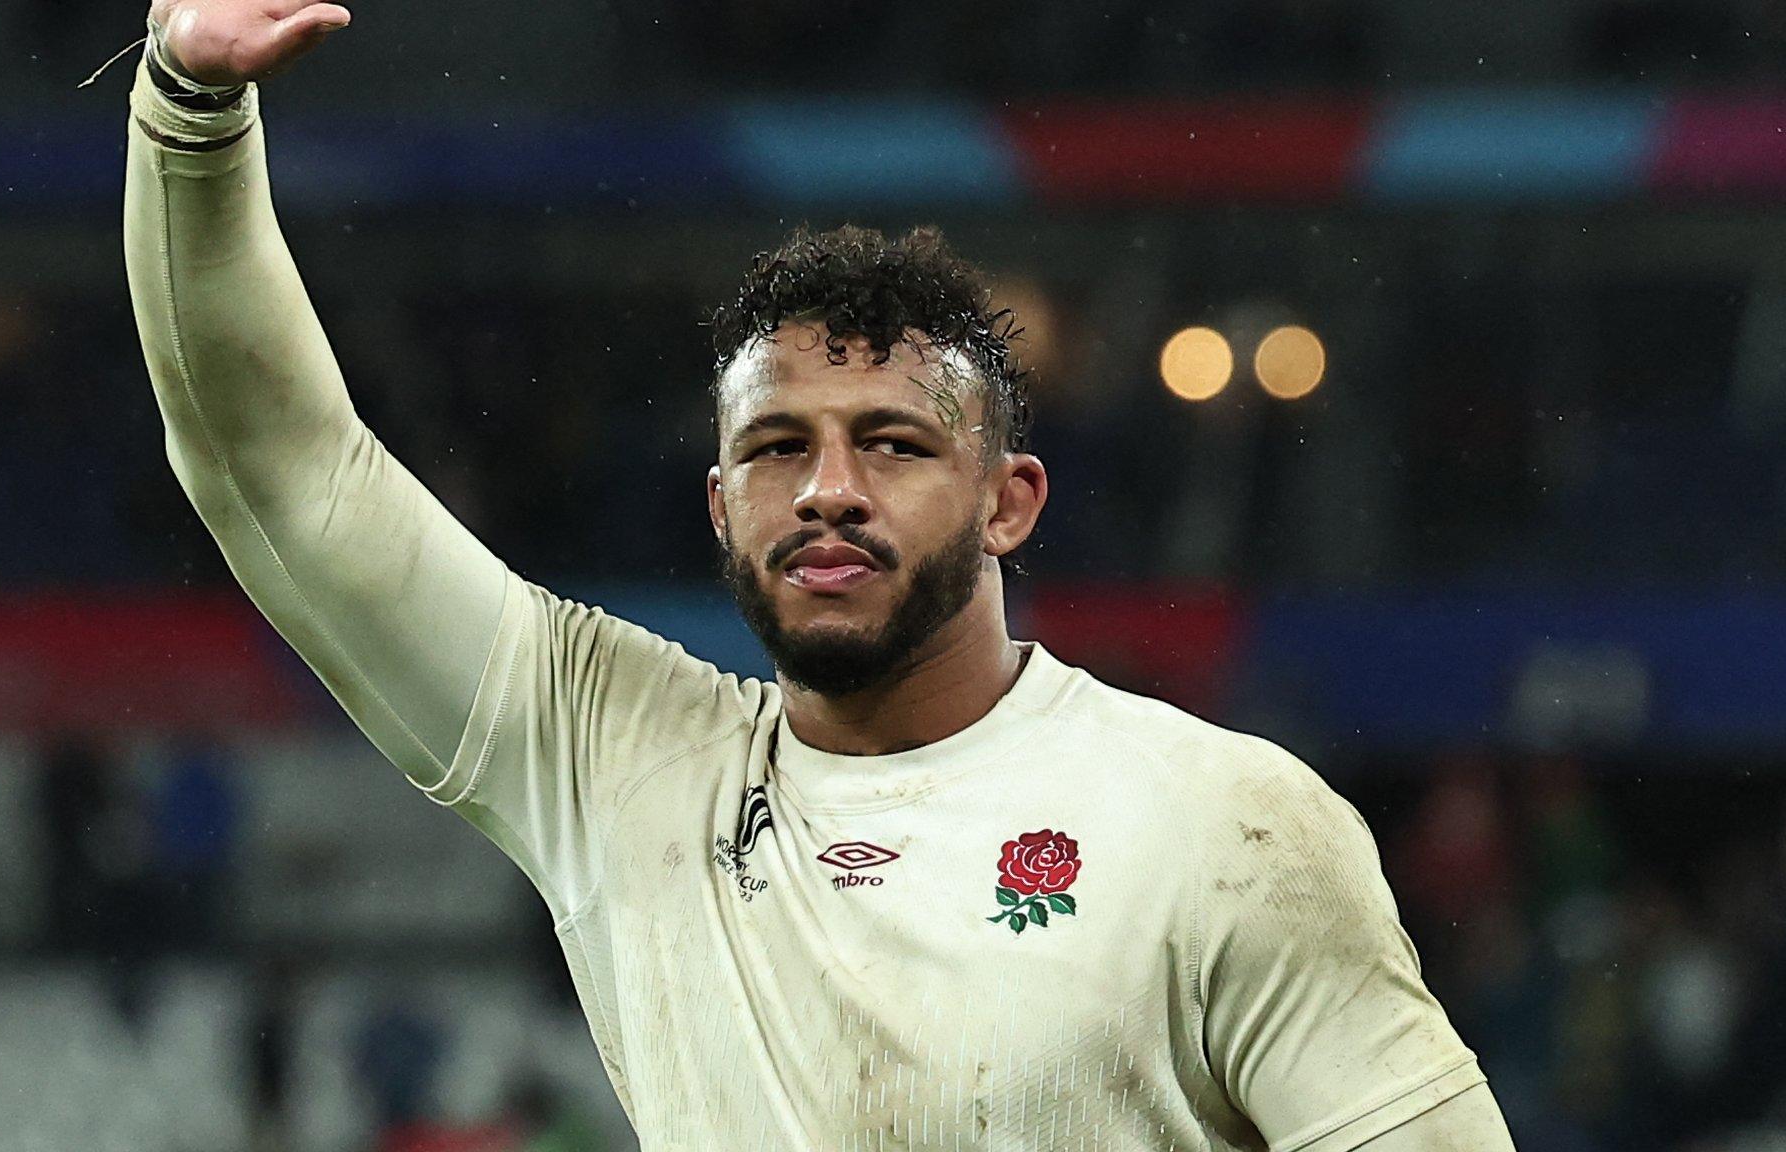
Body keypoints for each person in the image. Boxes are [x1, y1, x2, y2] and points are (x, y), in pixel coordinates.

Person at [122, 3, 1517, 1147]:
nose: (829, 489)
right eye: (779, 447)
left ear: (1009, 502)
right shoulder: (617, 759)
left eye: (894, 444)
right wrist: (186, 108)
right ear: (723, 507)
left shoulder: (1230, 826)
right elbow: (284, 472)